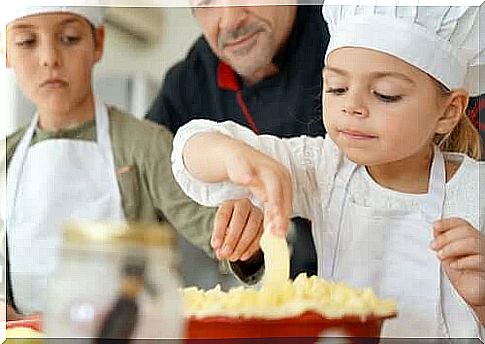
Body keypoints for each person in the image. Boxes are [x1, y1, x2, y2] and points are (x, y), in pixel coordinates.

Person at [171, 4, 485, 339]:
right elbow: (191, 148)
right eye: (336, 88)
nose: (352, 106)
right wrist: (237, 157)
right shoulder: (324, 168)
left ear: (449, 111)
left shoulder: (475, 193)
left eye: (385, 94)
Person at [0, 5, 262, 319]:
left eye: (69, 38)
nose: (49, 59)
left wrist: (246, 237)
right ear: (5, 51)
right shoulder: (7, 157)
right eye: (27, 42)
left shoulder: (144, 144)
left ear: (98, 43)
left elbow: (221, 236)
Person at [147, 2, 330, 279]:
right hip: (283, 295)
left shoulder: (342, 37)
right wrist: (238, 234)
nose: (231, 20)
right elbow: (152, 171)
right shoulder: (189, 81)